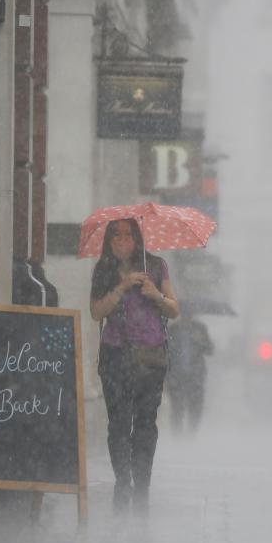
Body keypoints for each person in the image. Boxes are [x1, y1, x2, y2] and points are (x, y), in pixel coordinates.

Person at [90, 219, 179, 514]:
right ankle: (122, 483)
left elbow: (174, 309)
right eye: (116, 235)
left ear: (137, 239)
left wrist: (155, 294)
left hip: (150, 357)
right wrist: (122, 286)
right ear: (109, 240)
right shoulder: (103, 270)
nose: (122, 240)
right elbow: (96, 312)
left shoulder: (155, 266)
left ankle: (142, 485)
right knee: (118, 424)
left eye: (128, 235)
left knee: (144, 425)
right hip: (115, 355)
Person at [165, 315, 213, 435]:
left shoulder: (200, 328)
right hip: (176, 376)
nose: (187, 317)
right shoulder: (172, 330)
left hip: (195, 376)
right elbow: (165, 352)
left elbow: (210, 350)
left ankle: (191, 435)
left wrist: (201, 341)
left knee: (195, 408)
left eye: (189, 313)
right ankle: (177, 437)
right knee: (177, 409)